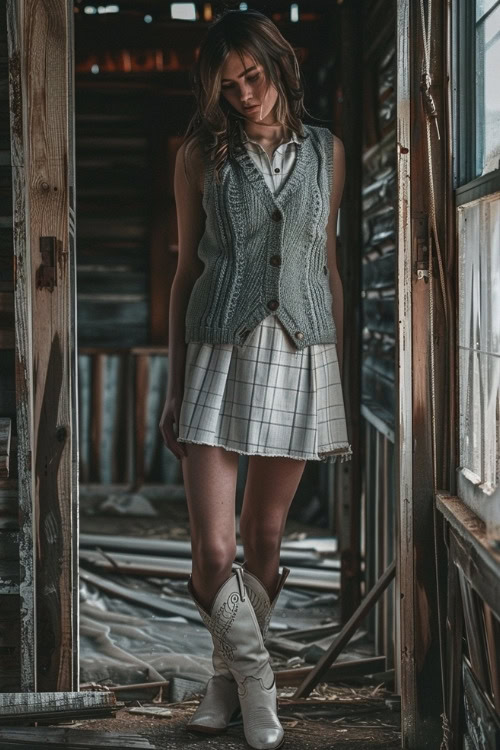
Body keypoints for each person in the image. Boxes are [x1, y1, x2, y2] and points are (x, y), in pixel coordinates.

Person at [159, 9, 352, 750]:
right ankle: (260, 687)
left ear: (278, 62)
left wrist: (328, 364)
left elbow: (325, 269)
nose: (244, 94)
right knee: (213, 554)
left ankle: (224, 685)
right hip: (215, 352)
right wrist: (175, 387)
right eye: (228, 85)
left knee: (265, 536)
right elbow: (184, 274)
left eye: (253, 75)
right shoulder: (198, 156)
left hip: (302, 353)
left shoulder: (329, 153)